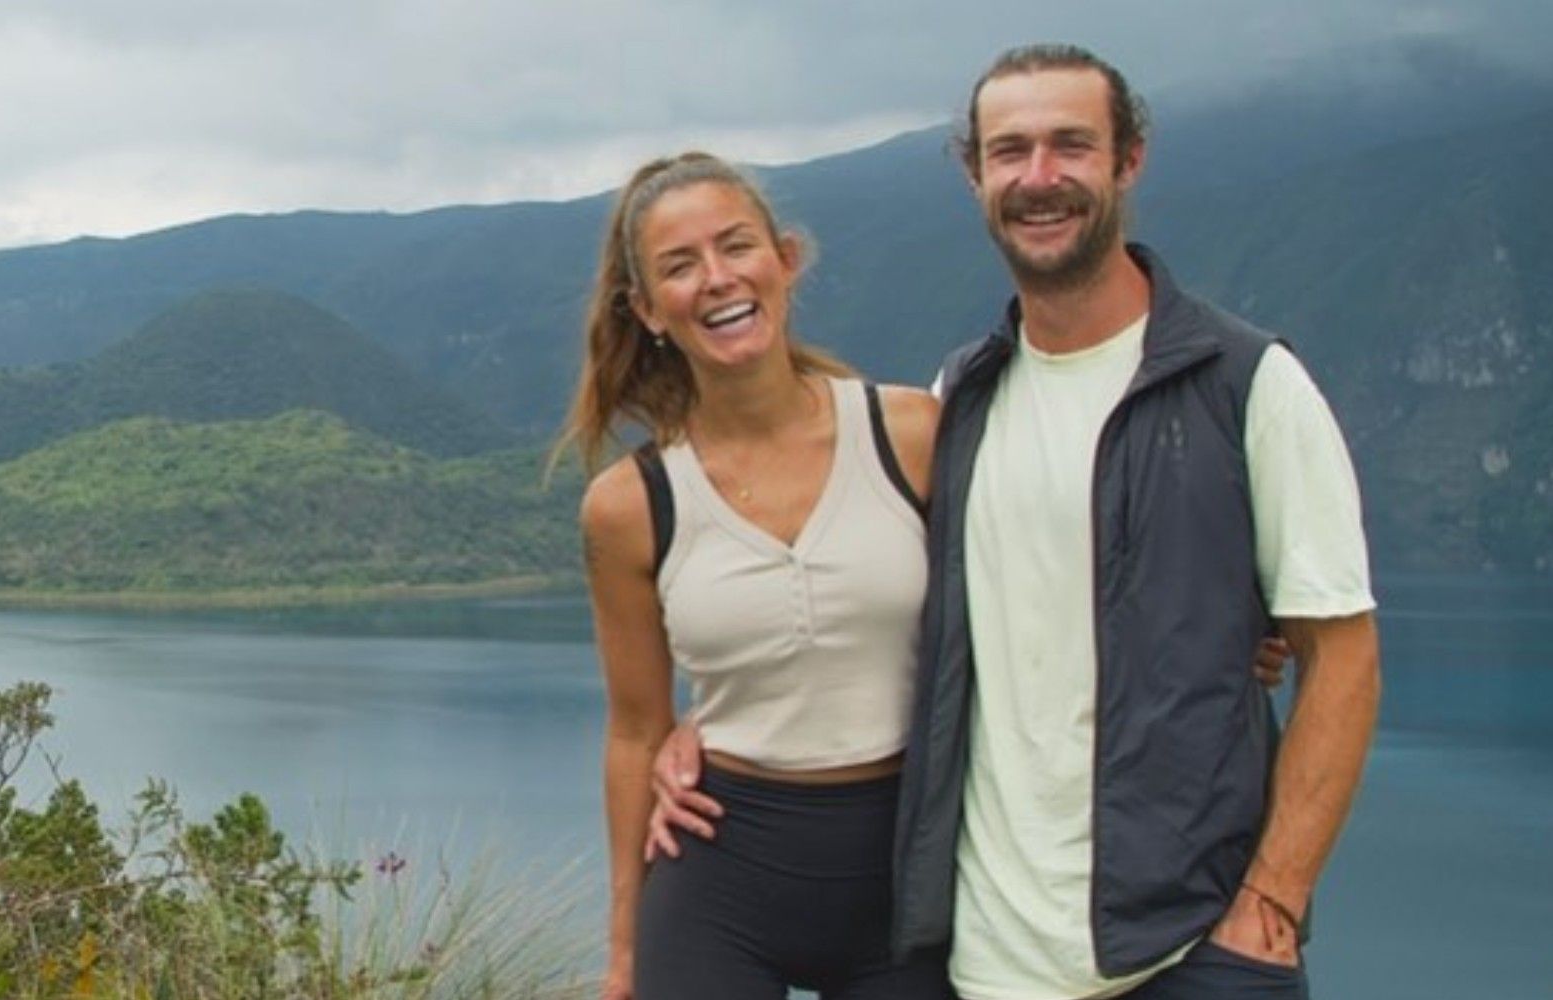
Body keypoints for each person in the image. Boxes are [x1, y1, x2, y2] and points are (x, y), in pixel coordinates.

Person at [653, 43, 1380, 1000]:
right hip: (990, 959)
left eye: (1070, 146)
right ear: (975, 174)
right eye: (1010, 151)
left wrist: (1271, 909)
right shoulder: (964, 397)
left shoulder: (1247, 388)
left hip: (1191, 951)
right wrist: (701, 727)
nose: (1040, 178)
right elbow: (864, 600)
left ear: (1129, 161)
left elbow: (1344, 657)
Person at [559, 151, 955, 999]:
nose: (716, 279)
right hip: (722, 868)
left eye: (736, 246)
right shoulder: (631, 505)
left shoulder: (912, 435)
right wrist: (623, 955)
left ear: (784, 260)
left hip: (908, 872)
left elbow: (1036, 585)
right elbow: (635, 730)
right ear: (648, 310)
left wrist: (1235, 630)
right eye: (678, 266)